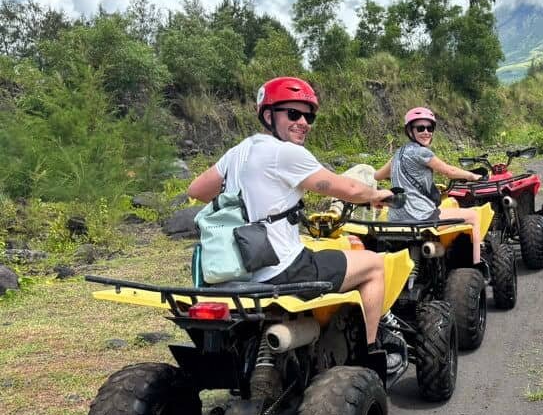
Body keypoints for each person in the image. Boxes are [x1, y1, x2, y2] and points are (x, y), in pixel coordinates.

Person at [188, 76, 395, 352]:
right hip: (283, 270)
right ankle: (371, 351)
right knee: (374, 264)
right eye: (293, 114)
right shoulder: (286, 153)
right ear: (268, 115)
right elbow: (348, 188)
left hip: (237, 272)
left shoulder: (239, 151)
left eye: (309, 116)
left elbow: (197, 190)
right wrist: (376, 195)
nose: (303, 122)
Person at [374, 107, 484, 264]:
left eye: (429, 128)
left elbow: (377, 176)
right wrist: (472, 176)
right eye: (420, 128)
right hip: (420, 216)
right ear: (410, 131)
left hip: (396, 218)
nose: (426, 132)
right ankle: (478, 264)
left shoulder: (397, 154)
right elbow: (450, 171)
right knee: (473, 216)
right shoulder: (422, 153)